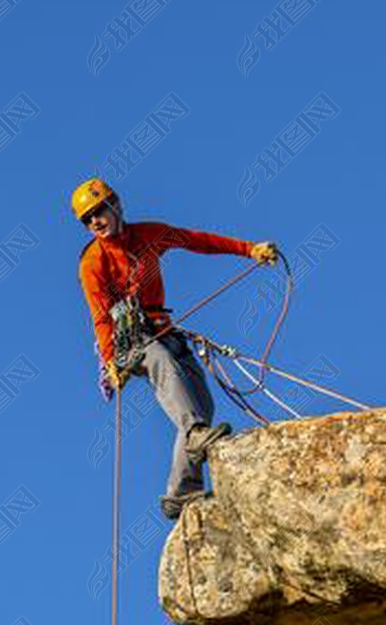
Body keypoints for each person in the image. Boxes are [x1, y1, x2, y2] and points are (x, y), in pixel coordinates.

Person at [73, 177, 279, 520]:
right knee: (162, 364)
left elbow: (197, 241)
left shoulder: (150, 234)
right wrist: (110, 361)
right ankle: (197, 436)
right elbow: (100, 316)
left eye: (98, 211)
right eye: (87, 218)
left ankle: (180, 492)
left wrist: (249, 249)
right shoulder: (93, 262)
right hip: (129, 342)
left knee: (201, 402)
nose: (95, 221)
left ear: (116, 204)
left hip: (161, 329)